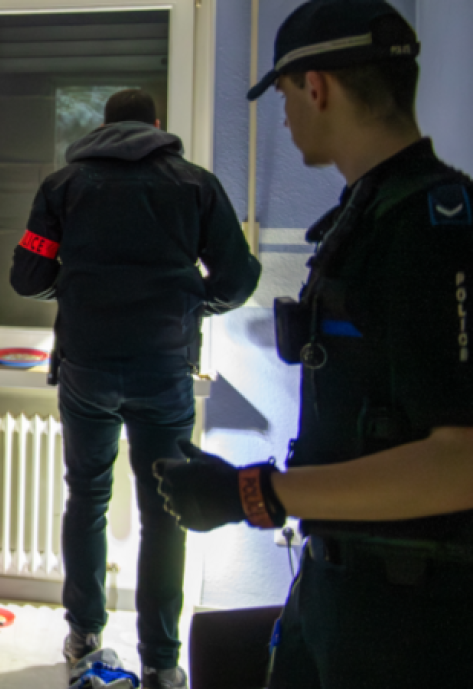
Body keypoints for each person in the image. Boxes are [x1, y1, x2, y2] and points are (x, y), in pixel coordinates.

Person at [154, 2, 473, 686]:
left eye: (284, 96)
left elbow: (461, 460)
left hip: (409, 622)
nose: (286, 117)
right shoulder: (369, 214)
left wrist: (257, 493)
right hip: (336, 583)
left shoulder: (433, 227)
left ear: (317, 86)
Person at [10, 89, 261, 689]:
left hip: (87, 370)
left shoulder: (63, 187)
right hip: (163, 370)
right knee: (165, 511)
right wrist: (190, 302)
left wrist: (79, 288)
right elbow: (237, 278)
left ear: (103, 128)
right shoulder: (195, 185)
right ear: (157, 125)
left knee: (87, 498)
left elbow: (28, 276)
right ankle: (162, 663)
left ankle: (83, 635)